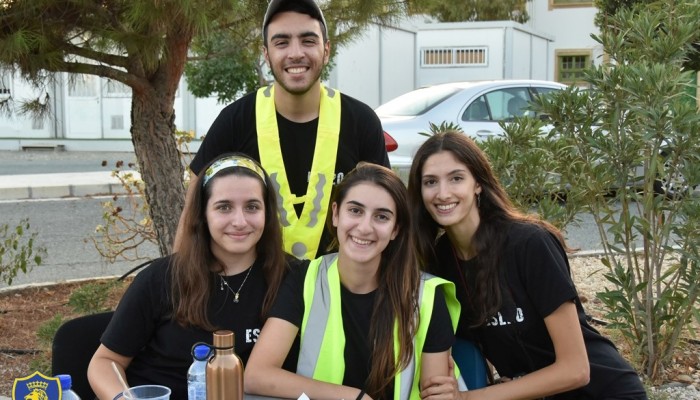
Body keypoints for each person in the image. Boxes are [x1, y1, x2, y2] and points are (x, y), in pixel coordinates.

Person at [408, 131, 648, 400]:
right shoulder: (438, 263)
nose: (443, 193)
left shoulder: (529, 243)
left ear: (477, 184)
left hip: (603, 392)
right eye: (430, 182)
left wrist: (469, 398)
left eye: (456, 178)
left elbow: (576, 369)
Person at [178, 0, 390, 260]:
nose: (296, 53)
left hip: (341, 288)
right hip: (256, 291)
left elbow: (384, 210)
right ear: (266, 54)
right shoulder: (235, 120)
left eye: (308, 41)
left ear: (326, 50)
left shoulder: (361, 121)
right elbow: (192, 211)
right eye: (282, 42)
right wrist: (179, 286)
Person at [88, 153, 298, 400]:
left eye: (252, 207)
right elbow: (105, 362)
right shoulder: (162, 278)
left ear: (268, 213)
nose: (239, 221)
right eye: (224, 207)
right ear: (203, 215)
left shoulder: (293, 279)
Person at [244, 163, 462, 400]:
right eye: (355, 211)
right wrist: (354, 397)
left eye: (381, 216)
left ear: (395, 229)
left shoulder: (426, 295)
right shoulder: (305, 279)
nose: (365, 227)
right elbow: (256, 375)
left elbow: (436, 394)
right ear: (336, 214)